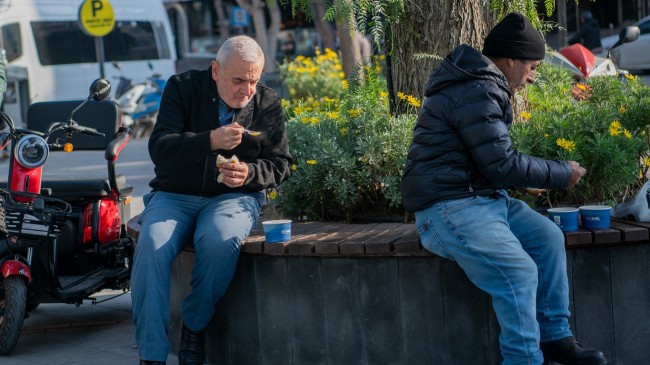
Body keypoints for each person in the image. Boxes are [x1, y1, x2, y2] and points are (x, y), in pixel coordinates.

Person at [401, 13, 607, 365]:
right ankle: (525, 359)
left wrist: (518, 179)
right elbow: (501, 162)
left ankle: (554, 338)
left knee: (547, 238)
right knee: (518, 271)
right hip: (448, 208)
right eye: (532, 66)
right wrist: (562, 172)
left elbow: (487, 160)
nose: (532, 76)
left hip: (479, 198)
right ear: (510, 59)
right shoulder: (476, 88)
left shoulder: (481, 83)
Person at [131, 35, 292, 365]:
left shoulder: (267, 102)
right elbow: (160, 150)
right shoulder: (182, 88)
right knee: (151, 243)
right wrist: (209, 141)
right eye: (238, 80)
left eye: (253, 81)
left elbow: (281, 163)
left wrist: (248, 173)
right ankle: (151, 355)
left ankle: (194, 324)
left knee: (220, 242)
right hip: (173, 195)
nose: (246, 91)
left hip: (233, 199)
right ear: (216, 70)